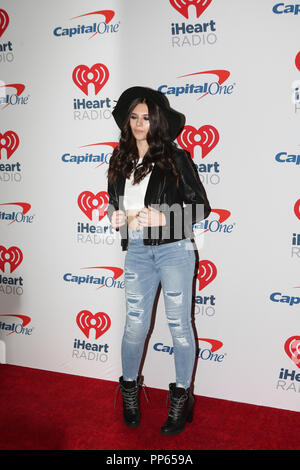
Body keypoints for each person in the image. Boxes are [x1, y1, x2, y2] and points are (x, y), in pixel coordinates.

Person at [107, 86, 211, 436]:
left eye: (146, 117)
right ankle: (129, 392)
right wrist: (116, 215)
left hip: (174, 249)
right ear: (127, 121)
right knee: (134, 327)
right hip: (137, 251)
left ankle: (182, 396)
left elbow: (201, 207)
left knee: (179, 326)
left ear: (157, 120)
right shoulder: (119, 159)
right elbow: (115, 201)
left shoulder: (175, 158)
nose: (139, 123)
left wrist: (166, 217)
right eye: (133, 117)